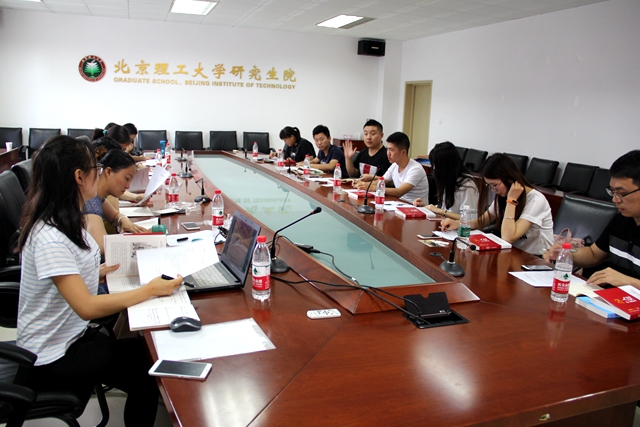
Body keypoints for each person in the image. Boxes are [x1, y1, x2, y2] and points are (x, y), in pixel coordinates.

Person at [17, 135, 183, 427]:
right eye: (94, 167)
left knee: (143, 352)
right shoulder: (50, 236)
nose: (99, 172)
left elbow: (64, 280)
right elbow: (87, 308)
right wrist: (149, 290)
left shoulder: (67, 217)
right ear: (79, 176)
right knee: (147, 366)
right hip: (51, 355)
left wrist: (97, 272)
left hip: (70, 336)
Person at [543, 150, 640, 288]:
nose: (615, 200)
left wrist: (629, 282)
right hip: (609, 297)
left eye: (622, 193)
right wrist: (566, 254)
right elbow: (594, 254)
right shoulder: (621, 220)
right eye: (613, 192)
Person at [441, 153, 553, 255]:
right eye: (490, 186)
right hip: (513, 254)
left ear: (509, 178)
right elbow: (481, 222)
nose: (493, 190)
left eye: (494, 185)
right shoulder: (503, 196)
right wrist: (458, 224)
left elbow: (508, 237)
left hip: (537, 259)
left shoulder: (536, 200)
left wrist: (511, 201)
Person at [85, 138, 149, 256]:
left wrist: (123, 220)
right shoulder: (90, 200)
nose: (128, 186)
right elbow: (104, 249)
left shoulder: (98, 196)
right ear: (108, 172)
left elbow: (114, 215)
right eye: (126, 178)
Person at [355, 132, 429, 203]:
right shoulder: (394, 165)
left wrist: (373, 187)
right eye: (387, 149)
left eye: (391, 150)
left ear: (403, 152)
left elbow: (399, 192)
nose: (388, 153)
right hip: (399, 203)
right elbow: (382, 181)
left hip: (415, 207)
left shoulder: (415, 169)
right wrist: (362, 183)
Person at [413, 141, 478, 220]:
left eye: (435, 165)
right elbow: (444, 208)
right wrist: (425, 206)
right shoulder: (447, 179)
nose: (434, 168)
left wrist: (440, 211)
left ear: (445, 165)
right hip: (444, 223)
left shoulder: (467, 185)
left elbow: (469, 219)